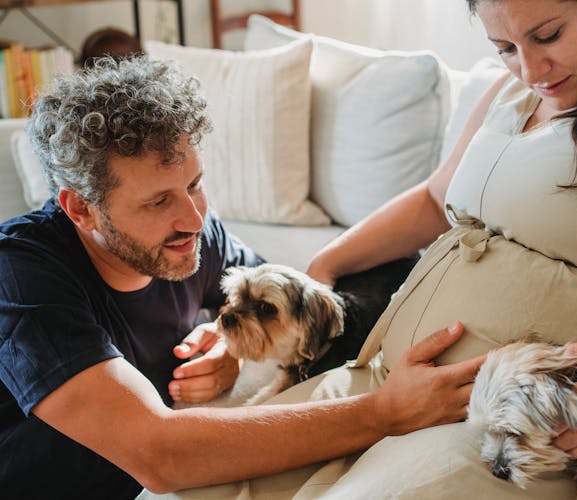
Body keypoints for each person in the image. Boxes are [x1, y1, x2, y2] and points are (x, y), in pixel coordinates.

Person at [186, 0, 577, 498]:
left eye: (548, 35)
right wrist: (325, 265)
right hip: (389, 382)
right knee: (196, 480)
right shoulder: (511, 94)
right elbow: (435, 201)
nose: (529, 68)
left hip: (517, 432)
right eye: (504, 46)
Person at [0, 56, 484, 499]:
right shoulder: (21, 278)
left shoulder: (190, 237)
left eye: (194, 184)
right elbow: (160, 453)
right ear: (81, 208)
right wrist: (387, 411)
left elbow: (268, 301)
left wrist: (226, 345)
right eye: (158, 202)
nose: (193, 219)